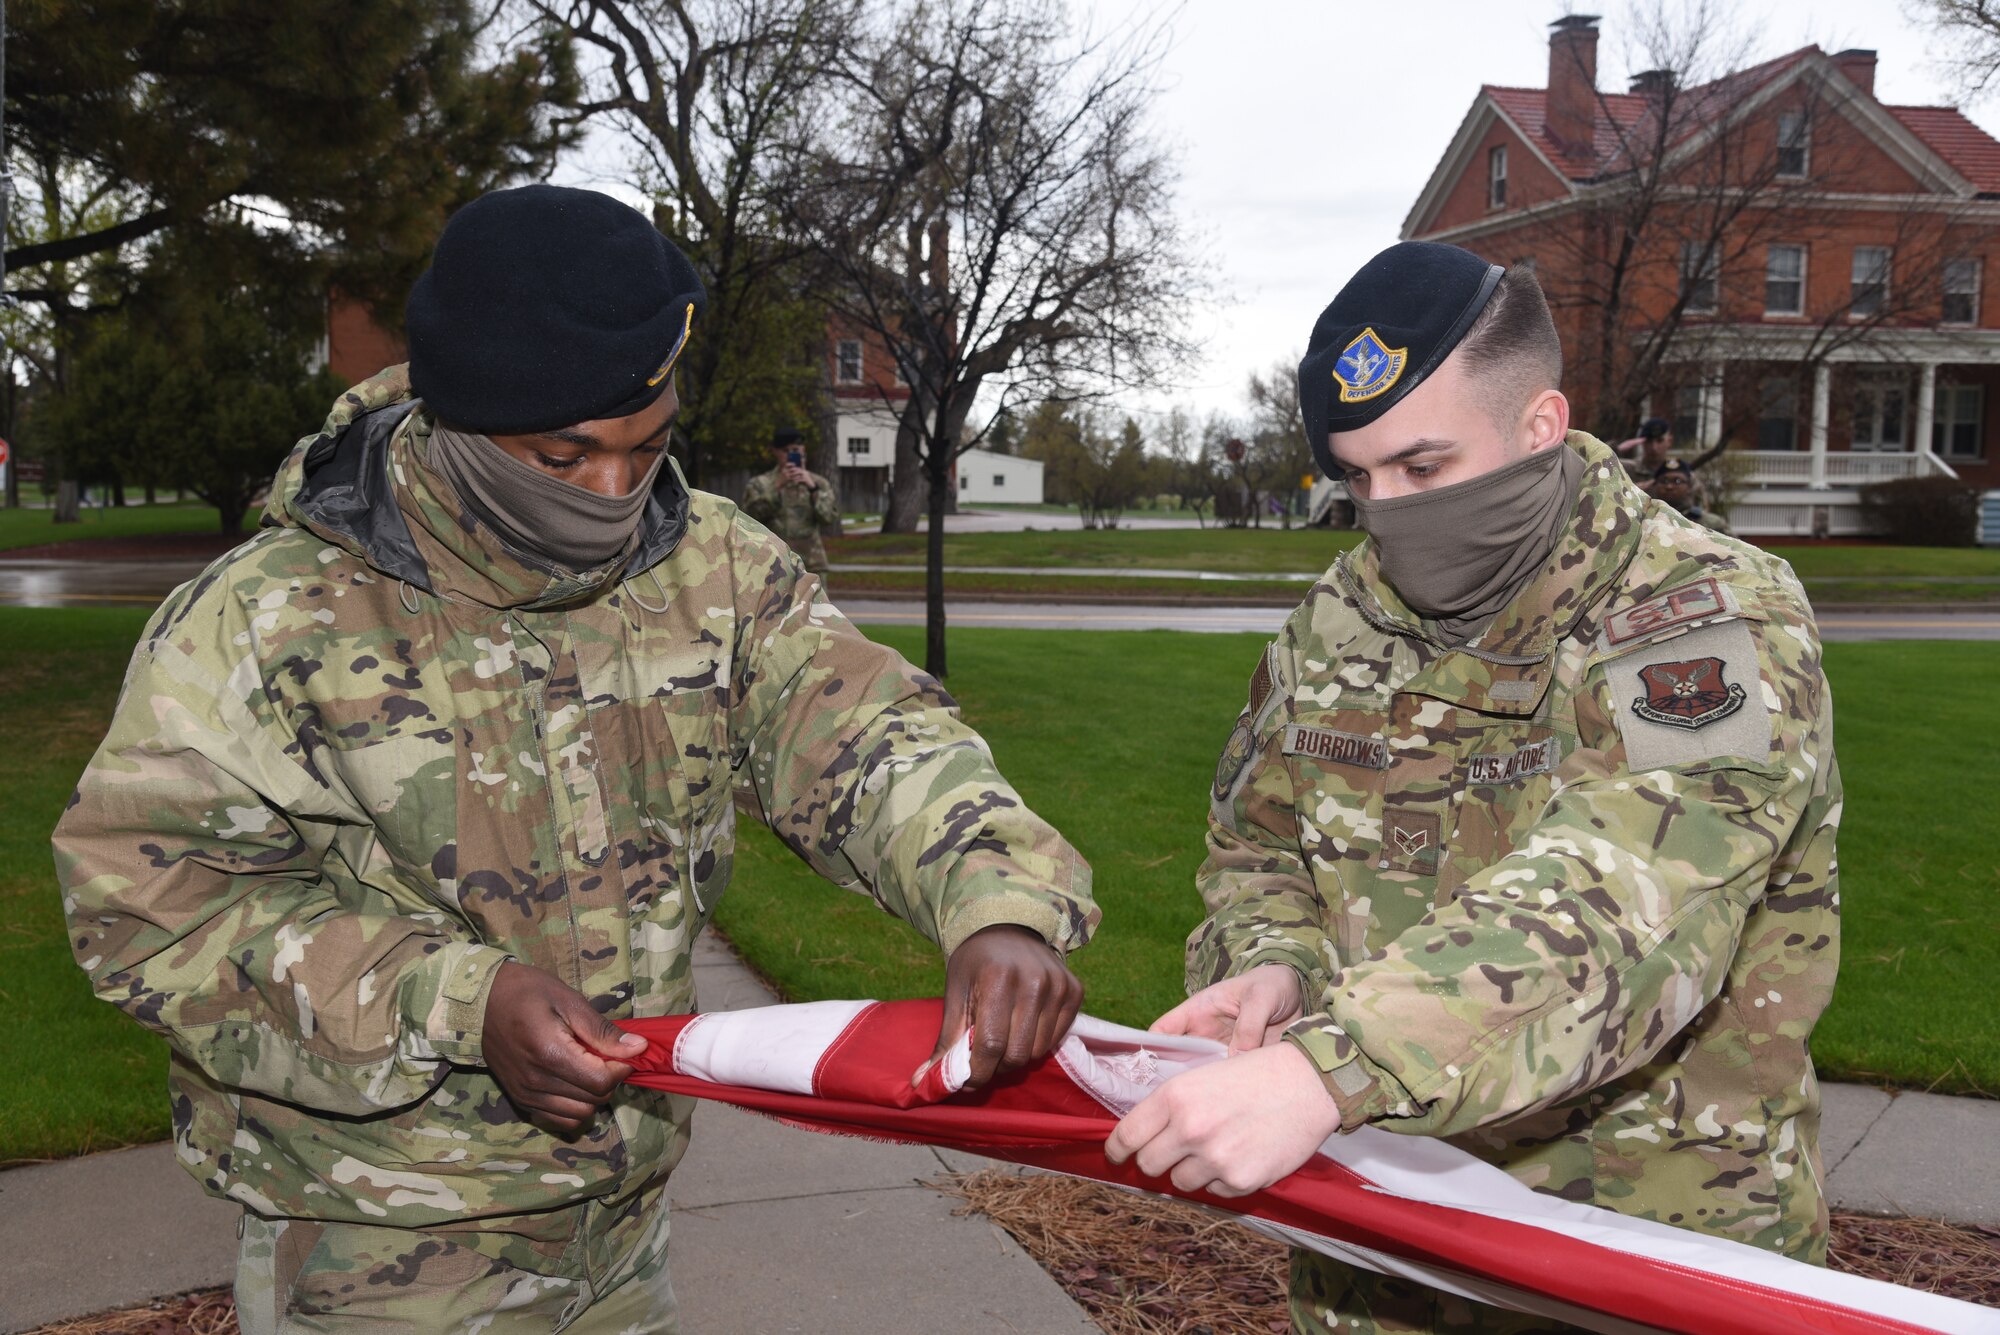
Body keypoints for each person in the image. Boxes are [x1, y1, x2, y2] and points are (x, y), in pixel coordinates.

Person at [53, 184, 1097, 1334]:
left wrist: (994, 900)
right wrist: (458, 1001)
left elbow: (865, 735)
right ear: (460, 418)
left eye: (646, 449)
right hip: (382, 1244)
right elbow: (151, 907)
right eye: (565, 456)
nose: (612, 494)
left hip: (623, 1221)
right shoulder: (268, 619)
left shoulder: (710, 566)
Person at [1104, 242, 1839, 1335]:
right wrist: (1274, 974)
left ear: (1537, 427)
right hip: (1377, 1252)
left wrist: (1333, 1066)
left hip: (1643, 1254)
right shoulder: (1337, 621)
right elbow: (1258, 851)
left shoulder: (1697, 614)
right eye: (1355, 478)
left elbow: (1631, 898)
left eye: (1421, 467)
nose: (1384, 511)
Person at [741, 426, 841, 573]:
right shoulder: (760, 484)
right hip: (772, 564)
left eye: (795, 450)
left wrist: (813, 489)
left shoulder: (818, 483)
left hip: (811, 564)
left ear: (803, 450)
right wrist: (777, 487)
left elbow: (828, 517)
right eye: (785, 451)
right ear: (775, 451)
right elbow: (749, 519)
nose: (790, 455)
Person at [1651, 458, 1734, 534]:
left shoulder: (1711, 524)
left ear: (1689, 487)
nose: (1669, 486)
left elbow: (1736, 549)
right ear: (1654, 485)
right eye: (1664, 481)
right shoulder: (1647, 521)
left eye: (1677, 481)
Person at [1617, 415, 1673, 483]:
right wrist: (1617, 449)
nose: (1654, 447)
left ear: (1669, 441)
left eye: (1659, 441)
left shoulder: (1676, 471)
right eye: (1649, 442)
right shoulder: (1627, 469)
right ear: (1642, 443)